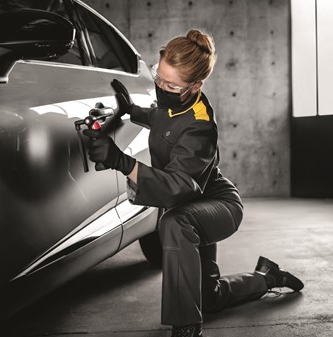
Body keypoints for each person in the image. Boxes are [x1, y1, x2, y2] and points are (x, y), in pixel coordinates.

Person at [83, 29, 304, 337]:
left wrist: (122, 161)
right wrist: (129, 109)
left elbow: (177, 185)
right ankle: (267, 277)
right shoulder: (175, 102)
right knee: (209, 296)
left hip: (217, 204)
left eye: (171, 85)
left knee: (174, 222)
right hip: (194, 204)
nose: (161, 88)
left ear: (195, 86)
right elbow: (161, 118)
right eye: (158, 78)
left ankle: (186, 326)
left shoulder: (200, 126)